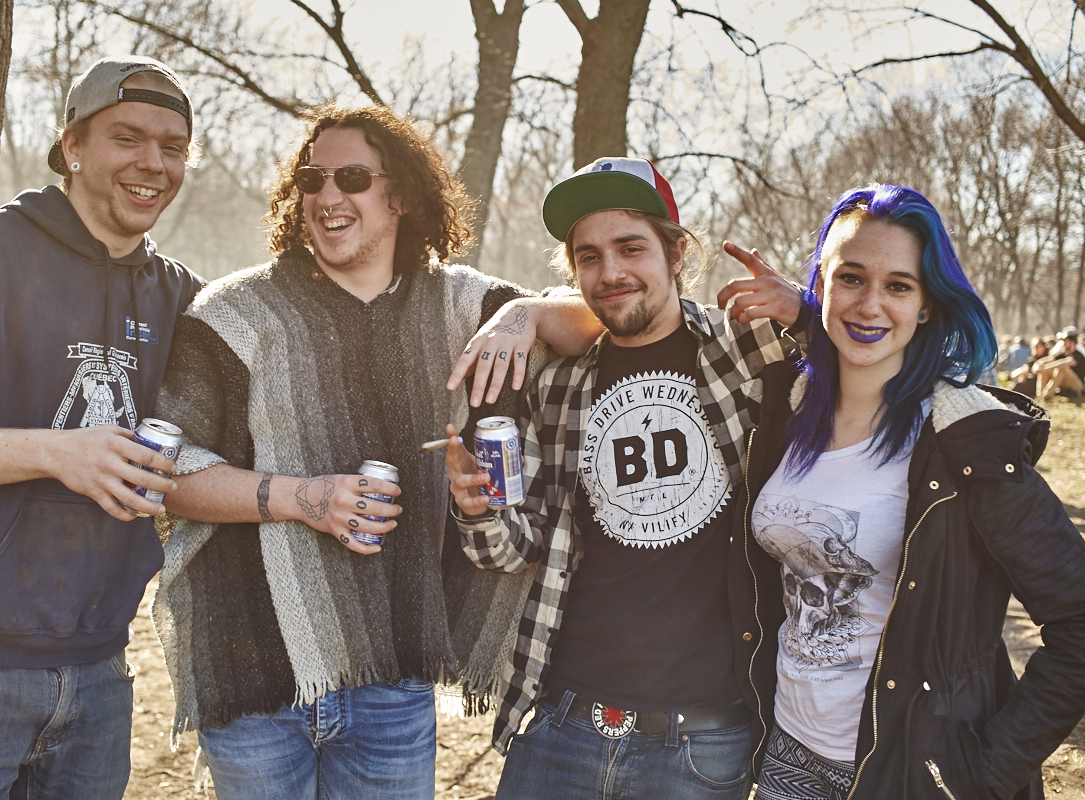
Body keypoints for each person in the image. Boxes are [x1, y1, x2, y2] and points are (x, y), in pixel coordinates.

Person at [150, 104, 603, 800]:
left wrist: (531, 312)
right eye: (313, 178)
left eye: (352, 178)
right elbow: (167, 473)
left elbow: (611, 329)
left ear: (400, 195)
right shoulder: (231, 316)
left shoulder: (462, 308)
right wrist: (307, 499)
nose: (327, 197)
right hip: (252, 676)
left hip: (395, 679)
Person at [0, 56, 205, 799]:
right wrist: (55, 451)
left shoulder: (179, 295)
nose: (152, 163)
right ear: (72, 146)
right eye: (128, 137)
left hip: (99, 673)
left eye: (173, 146)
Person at [445, 156, 806, 799]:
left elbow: (881, 362)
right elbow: (517, 547)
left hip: (703, 745)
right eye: (588, 256)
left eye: (630, 247)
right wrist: (476, 510)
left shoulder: (742, 351)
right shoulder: (556, 384)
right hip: (563, 727)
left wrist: (806, 314)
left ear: (675, 254)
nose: (610, 272)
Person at [728, 184, 1085, 800]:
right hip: (785, 754)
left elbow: (1079, 620)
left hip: (907, 772)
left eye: (898, 286)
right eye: (851, 278)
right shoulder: (785, 413)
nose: (870, 304)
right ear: (821, 287)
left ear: (925, 305)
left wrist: (990, 771)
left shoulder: (966, 441)